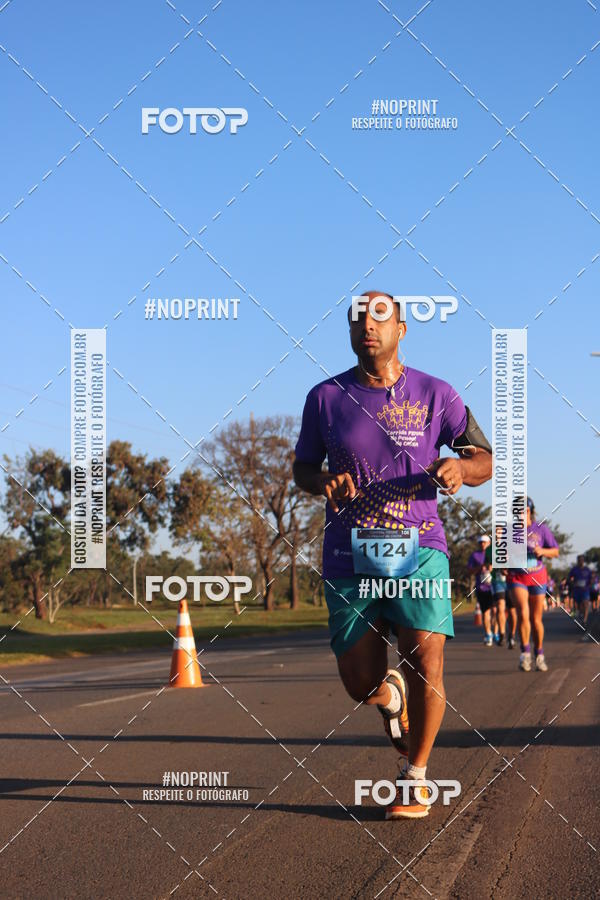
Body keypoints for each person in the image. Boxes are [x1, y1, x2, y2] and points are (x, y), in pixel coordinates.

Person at [293, 291, 492, 819]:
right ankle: (388, 699)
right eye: (359, 319)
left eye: (381, 318)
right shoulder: (325, 398)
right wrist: (322, 481)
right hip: (348, 552)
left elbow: (484, 458)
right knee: (359, 681)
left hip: (419, 544)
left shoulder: (437, 394)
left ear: (401, 330)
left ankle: (416, 777)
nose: (368, 327)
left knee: (426, 660)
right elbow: (302, 470)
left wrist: (460, 469)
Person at [507, 498, 559, 672]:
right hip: (517, 577)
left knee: (536, 619)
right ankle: (525, 654)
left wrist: (542, 551)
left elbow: (555, 551)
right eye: (518, 511)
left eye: (525, 510)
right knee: (523, 613)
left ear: (530, 511)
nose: (521, 513)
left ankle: (539, 654)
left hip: (537, 576)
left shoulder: (541, 529)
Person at [467, 536, 495, 646]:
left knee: (497, 611)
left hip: (495, 587)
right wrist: (479, 568)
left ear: (489, 543)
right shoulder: (475, 555)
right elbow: (469, 570)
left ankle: (496, 631)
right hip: (482, 588)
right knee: (486, 612)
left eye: (485, 542)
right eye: (481, 543)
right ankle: (488, 634)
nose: (483, 544)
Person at [485, 529, 509, 647]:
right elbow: (487, 564)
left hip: (511, 581)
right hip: (497, 581)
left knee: (513, 611)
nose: (497, 535)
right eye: (495, 533)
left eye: (500, 533)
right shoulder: (489, 550)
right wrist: (489, 567)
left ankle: (512, 633)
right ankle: (502, 634)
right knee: (500, 607)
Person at [568, 555, 593, 626]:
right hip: (577, 590)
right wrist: (573, 583)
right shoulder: (574, 569)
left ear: (584, 561)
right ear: (577, 561)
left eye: (582, 560)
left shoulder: (587, 570)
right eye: (579, 560)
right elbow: (569, 578)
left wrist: (590, 584)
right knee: (578, 606)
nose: (581, 561)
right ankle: (581, 613)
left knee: (586, 603)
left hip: (585, 590)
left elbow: (591, 578)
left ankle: (585, 620)